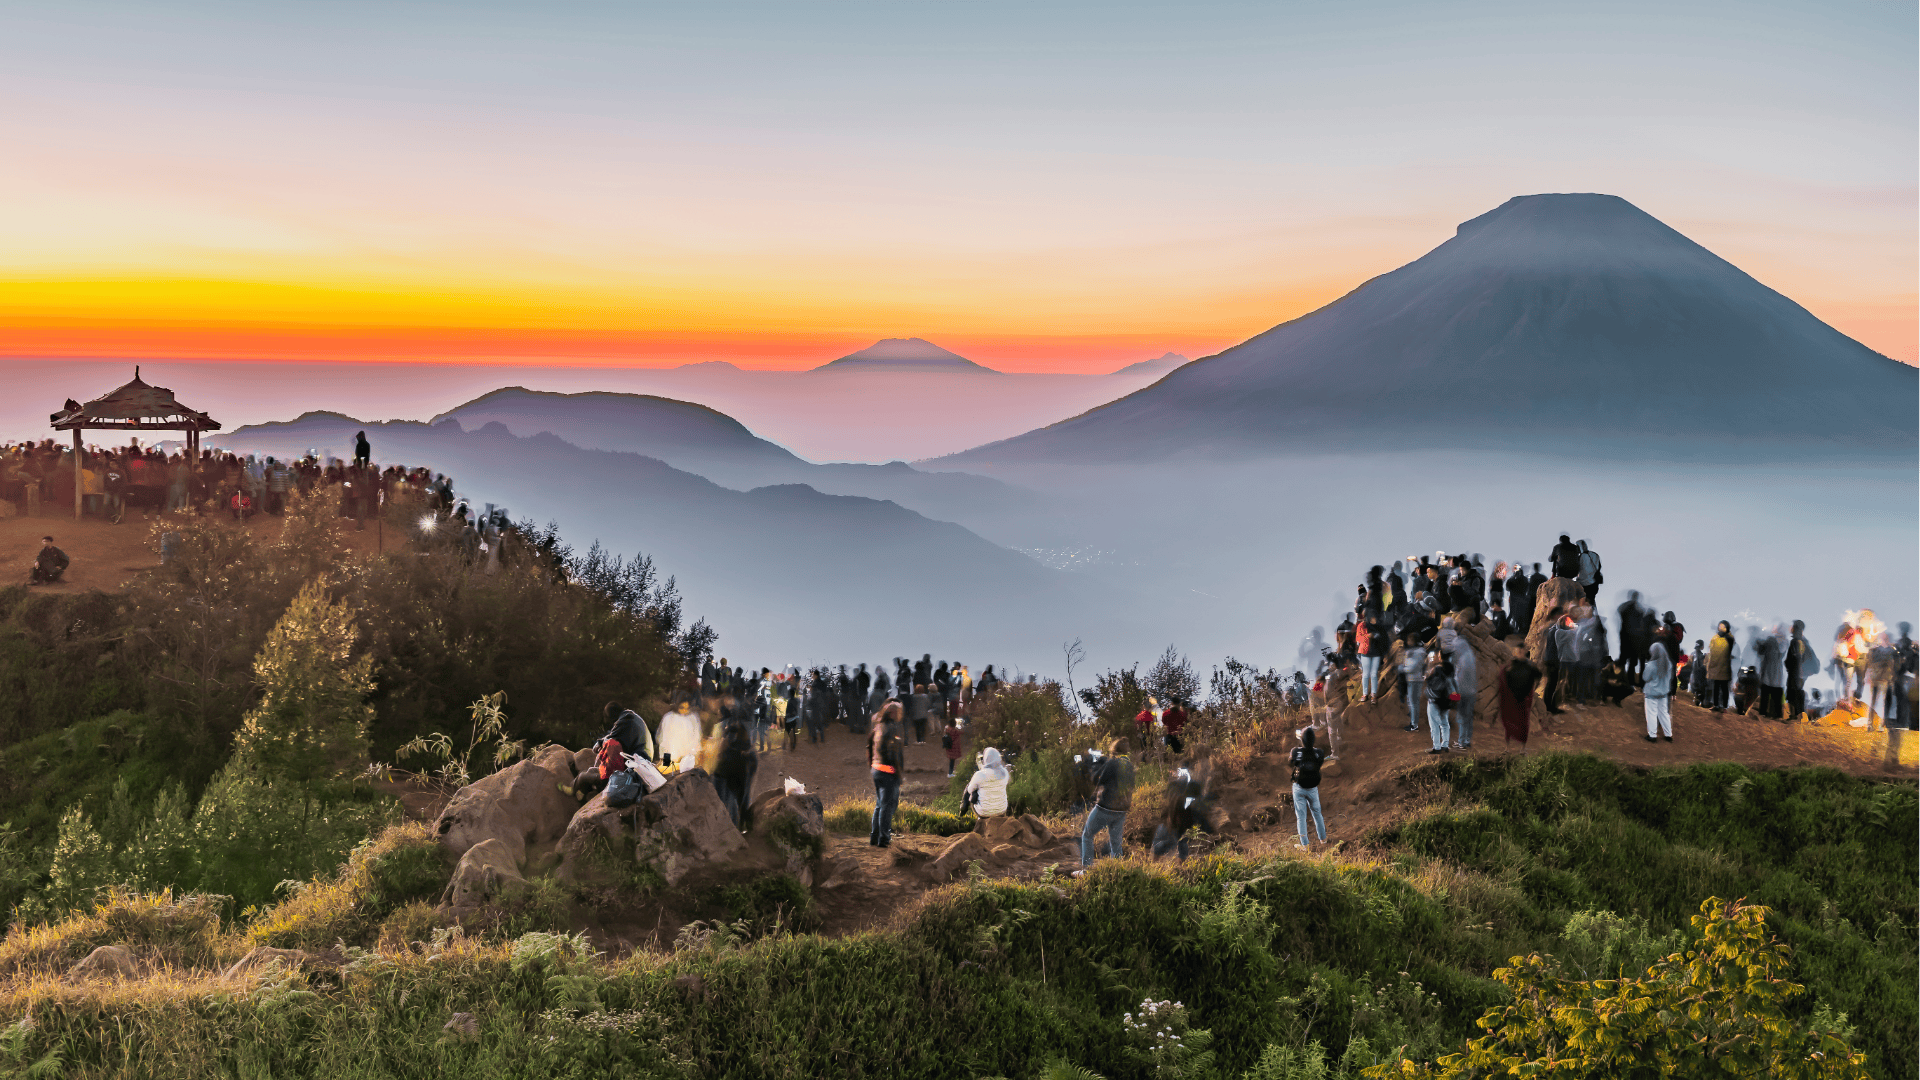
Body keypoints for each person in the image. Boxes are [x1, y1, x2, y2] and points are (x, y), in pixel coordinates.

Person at [1073, 738, 1134, 875]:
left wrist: (1095, 764)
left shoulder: (1112, 763)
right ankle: (1117, 873)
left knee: (1087, 835)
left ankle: (1087, 870)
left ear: (1114, 750)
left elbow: (1096, 780)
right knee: (1116, 843)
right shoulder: (1129, 765)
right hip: (1121, 809)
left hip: (1106, 807)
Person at [868, 701, 907, 847]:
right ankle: (884, 839)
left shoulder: (878, 726)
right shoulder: (892, 728)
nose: (900, 715)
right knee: (888, 806)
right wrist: (898, 773)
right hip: (888, 770)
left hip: (876, 768)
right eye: (899, 711)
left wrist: (871, 765)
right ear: (892, 713)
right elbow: (894, 752)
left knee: (880, 805)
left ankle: (874, 837)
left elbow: (870, 746)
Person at [713, 712, 758, 829]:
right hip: (738, 768)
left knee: (734, 799)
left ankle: (736, 826)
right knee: (740, 798)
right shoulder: (737, 733)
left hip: (736, 768)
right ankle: (740, 825)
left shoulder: (732, 735)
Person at [1287, 728, 1329, 850]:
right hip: (1313, 788)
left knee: (1301, 816)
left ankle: (1305, 845)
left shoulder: (1296, 751)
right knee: (1317, 814)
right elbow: (1318, 764)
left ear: (1302, 739)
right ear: (1314, 740)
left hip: (1299, 787)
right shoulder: (1319, 753)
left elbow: (1291, 762)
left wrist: (1300, 749)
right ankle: (1323, 840)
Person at [1499, 649, 1542, 747]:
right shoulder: (1512, 667)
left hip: (1521, 701)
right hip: (1517, 700)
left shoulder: (1526, 667)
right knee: (1514, 723)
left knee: (1519, 723)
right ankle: (1511, 748)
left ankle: (1516, 748)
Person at [963, 746, 1010, 824]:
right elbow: (992, 773)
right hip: (1001, 810)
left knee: (971, 788)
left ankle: (970, 815)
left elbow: (970, 790)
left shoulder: (980, 774)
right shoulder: (1004, 772)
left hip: (984, 813)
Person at [657, 698, 703, 771]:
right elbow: (664, 740)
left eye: (687, 708)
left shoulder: (693, 718)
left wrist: (695, 755)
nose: (684, 711)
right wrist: (665, 759)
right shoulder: (669, 718)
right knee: (668, 775)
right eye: (682, 708)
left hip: (686, 757)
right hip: (671, 755)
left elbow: (696, 737)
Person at [1643, 635, 1674, 743]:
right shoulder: (1668, 664)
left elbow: (1645, 678)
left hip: (1651, 693)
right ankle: (1668, 734)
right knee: (1664, 713)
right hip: (1664, 693)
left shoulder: (1651, 664)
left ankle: (1652, 736)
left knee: (1651, 714)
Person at [1425, 654, 1458, 754]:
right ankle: (1445, 745)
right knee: (1444, 724)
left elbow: (1427, 680)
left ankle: (1437, 747)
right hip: (1445, 703)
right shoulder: (1450, 673)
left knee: (1434, 725)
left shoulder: (1436, 670)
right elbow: (1454, 691)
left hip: (1433, 701)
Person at [1786, 621, 1817, 720]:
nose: (1790, 628)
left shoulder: (1796, 641)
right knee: (1797, 693)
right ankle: (1798, 715)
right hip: (1799, 673)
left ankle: (1796, 716)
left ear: (1795, 628)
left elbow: (1797, 658)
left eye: (1792, 626)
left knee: (1794, 693)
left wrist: (1795, 672)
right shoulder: (1802, 640)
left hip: (1796, 673)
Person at [1399, 637, 1427, 733]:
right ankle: (1413, 719)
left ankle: (1414, 725)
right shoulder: (1412, 651)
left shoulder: (1419, 652)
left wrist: (1402, 669)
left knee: (1414, 702)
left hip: (1416, 679)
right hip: (1411, 679)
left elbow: (1413, 667)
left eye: (1410, 640)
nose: (1408, 642)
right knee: (1411, 701)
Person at [1357, 613, 1386, 703]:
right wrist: (1368, 636)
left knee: (1374, 674)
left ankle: (1374, 695)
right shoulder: (1362, 625)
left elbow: (1382, 638)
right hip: (1365, 652)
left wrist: (1377, 636)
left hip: (1376, 653)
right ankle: (1365, 694)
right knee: (1365, 675)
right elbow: (1358, 638)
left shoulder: (1379, 626)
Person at [1707, 622, 1736, 712]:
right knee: (1715, 686)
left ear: (1727, 627)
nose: (1721, 627)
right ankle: (1715, 705)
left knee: (1724, 687)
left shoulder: (1729, 638)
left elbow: (1731, 649)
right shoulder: (1715, 637)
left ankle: (1724, 706)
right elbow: (1711, 650)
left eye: (1723, 626)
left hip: (1725, 665)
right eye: (1720, 626)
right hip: (1716, 665)